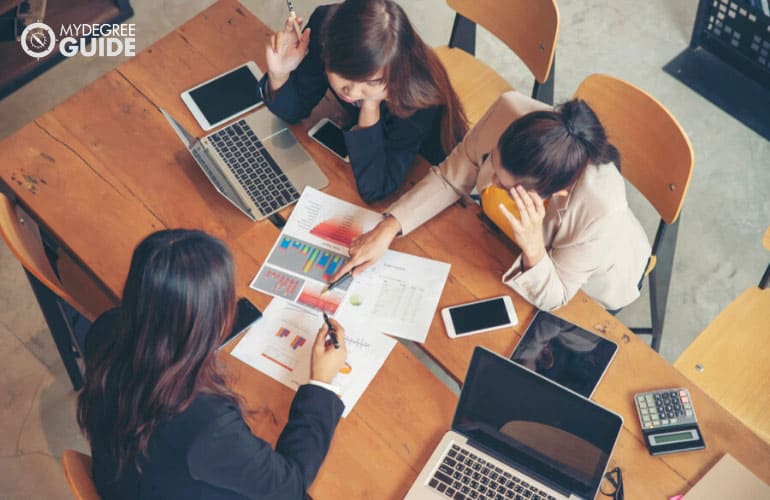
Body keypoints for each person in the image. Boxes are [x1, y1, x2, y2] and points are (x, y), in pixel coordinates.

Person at [76, 229, 348, 499]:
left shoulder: (107, 329)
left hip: (127, 479)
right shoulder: (207, 424)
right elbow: (290, 487)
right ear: (207, 320)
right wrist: (320, 383)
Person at [334, 91, 651, 312]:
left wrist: (534, 249)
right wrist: (389, 226)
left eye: (505, 183)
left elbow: (559, 295)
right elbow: (453, 175)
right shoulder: (510, 109)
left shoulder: (601, 211)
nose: (491, 182)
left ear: (556, 193)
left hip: (592, 281)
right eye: (494, 166)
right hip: (502, 241)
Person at [262, 0, 468, 203]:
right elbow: (295, 109)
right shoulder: (326, 26)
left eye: (371, 81)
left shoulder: (418, 97)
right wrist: (279, 74)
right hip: (362, 147)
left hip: (424, 167)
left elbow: (376, 188)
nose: (351, 92)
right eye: (344, 74)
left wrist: (370, 104)